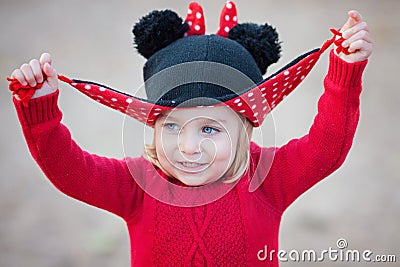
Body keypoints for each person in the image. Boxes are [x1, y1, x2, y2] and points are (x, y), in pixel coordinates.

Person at [9, 1, 372, 266]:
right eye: (171, 125)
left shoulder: (266, 179)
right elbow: (71, 171)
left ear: (243, 127)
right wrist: (41, 110)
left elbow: (326, 148)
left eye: (210, 128)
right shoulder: (138, 185)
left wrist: (345, 72)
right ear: (152, 124)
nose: (188, 147)